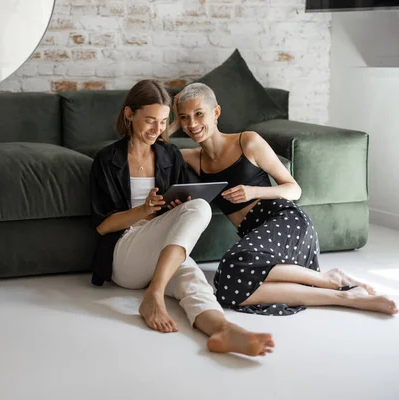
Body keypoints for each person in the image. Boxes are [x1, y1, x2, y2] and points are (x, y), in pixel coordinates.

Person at [169, 82, 397, 316]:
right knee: (227, 289)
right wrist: (174, 122)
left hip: (285, 221)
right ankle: (343, 293)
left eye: (199, 114)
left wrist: (253, 191)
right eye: (185, 118)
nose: (192, 124)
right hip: (256, 238)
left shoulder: (247, 141)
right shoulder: (194, 157)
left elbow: (294, 189)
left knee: (230, 267)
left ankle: (332, 282)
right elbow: (151, 148)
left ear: (216, 112)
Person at [90, 79, 275, 356]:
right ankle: (153, 294)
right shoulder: (107, 159)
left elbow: (177, 208)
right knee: (199, 209)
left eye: (164, 122)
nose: (157, 130)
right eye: (150, 121)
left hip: (162, 252)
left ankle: (221, 329)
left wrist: (174, 207)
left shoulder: (169, 154)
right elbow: (103, 227)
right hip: (125, 254)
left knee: (192, 279)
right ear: (129, 115)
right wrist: (144, 211)